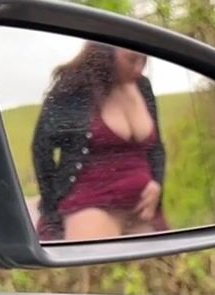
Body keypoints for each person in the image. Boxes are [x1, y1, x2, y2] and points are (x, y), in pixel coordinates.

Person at [32, 43, 167, 242]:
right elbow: (41, 148)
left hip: (143, 209)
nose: (139, 68)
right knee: (98, 261)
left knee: (166, 260)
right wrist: (51, 207)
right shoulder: (75, 88)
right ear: (106, 52)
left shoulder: (143, 87)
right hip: (90, 204)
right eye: (131, 59)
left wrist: (157, 182)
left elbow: (156, 148)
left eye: (144, 59)